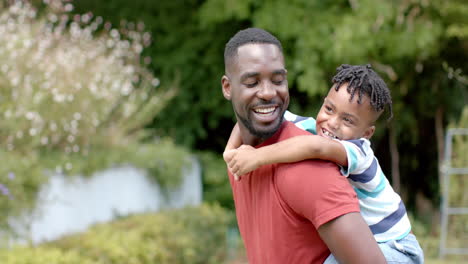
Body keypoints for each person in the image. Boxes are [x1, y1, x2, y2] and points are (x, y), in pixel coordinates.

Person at [224, 64, 424, 263]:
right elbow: (258, 114)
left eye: (348, 120)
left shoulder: (360, 151)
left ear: (366, 133)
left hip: (397, 249)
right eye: (329, 109)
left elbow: (316, 147)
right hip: (370, 241)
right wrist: (230, 151)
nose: (332, 122)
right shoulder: (309, 127)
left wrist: (257, 157)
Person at [221, 27, 386, 263]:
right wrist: (229, 152)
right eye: (252, 82)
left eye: (278, 80)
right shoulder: (241, 157)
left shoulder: (309, 169)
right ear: (228, 87)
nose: (268, 92)